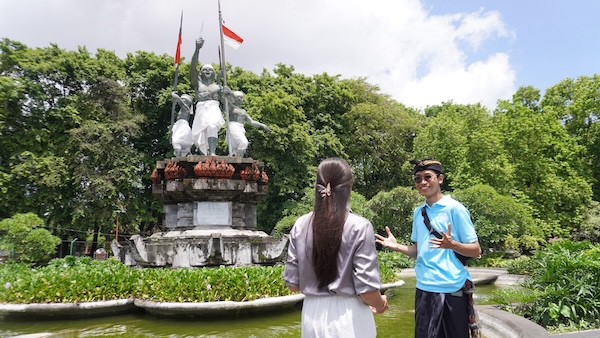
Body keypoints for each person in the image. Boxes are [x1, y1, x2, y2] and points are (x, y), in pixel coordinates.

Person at [375, 158, 482, 338]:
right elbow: (418, 251)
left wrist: (452, 244)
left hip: (451, 289)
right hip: (424, 289)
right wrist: (396, 246)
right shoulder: (419, 212)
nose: (423, 182)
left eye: (427, 177)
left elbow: (476, 250)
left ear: (440, 179)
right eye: (418, 179)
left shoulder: (455, 209)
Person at [283, 157, 388, 338]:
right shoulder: (359, 226)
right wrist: (381, 303)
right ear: (349, 187)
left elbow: (293, 286)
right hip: (349, 318)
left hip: (311, 315)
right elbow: (368, 292)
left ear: (317, 187)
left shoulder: (300, 225)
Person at [190, 37, 226, 156]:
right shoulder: (198, 84)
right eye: (204, 69)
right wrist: (197, 49)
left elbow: (225, 100)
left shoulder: (217, 86)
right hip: (201, 109)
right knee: (200, 135)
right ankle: (203, 157)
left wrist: (223, 85)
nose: (207, 71)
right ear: (201, 73)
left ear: (214, 73)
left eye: (210, 70)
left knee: (212, 126)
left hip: (213, 108)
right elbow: (192, 68)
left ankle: (213, 153)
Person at [227, 91, 270, 157]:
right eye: (238, 97)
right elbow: (224, 99)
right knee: (244, 142)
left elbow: (251, 122)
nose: (240, 99)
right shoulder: (230, 107)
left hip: (240, 128)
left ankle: (235, 158)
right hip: (233, 126)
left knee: (236, 147)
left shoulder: (243, 111)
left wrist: (262, 125)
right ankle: (239, 159)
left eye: (241, 97)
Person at [170, 91, 194, 157]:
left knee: (176, 142)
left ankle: (178, 158)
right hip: (180, 126)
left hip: (182, 127)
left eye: (184, 99)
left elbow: (180, 102)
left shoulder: (186, 108)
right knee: (178, 145)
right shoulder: (183, 109)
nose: (182, 100)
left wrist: (174, 95)